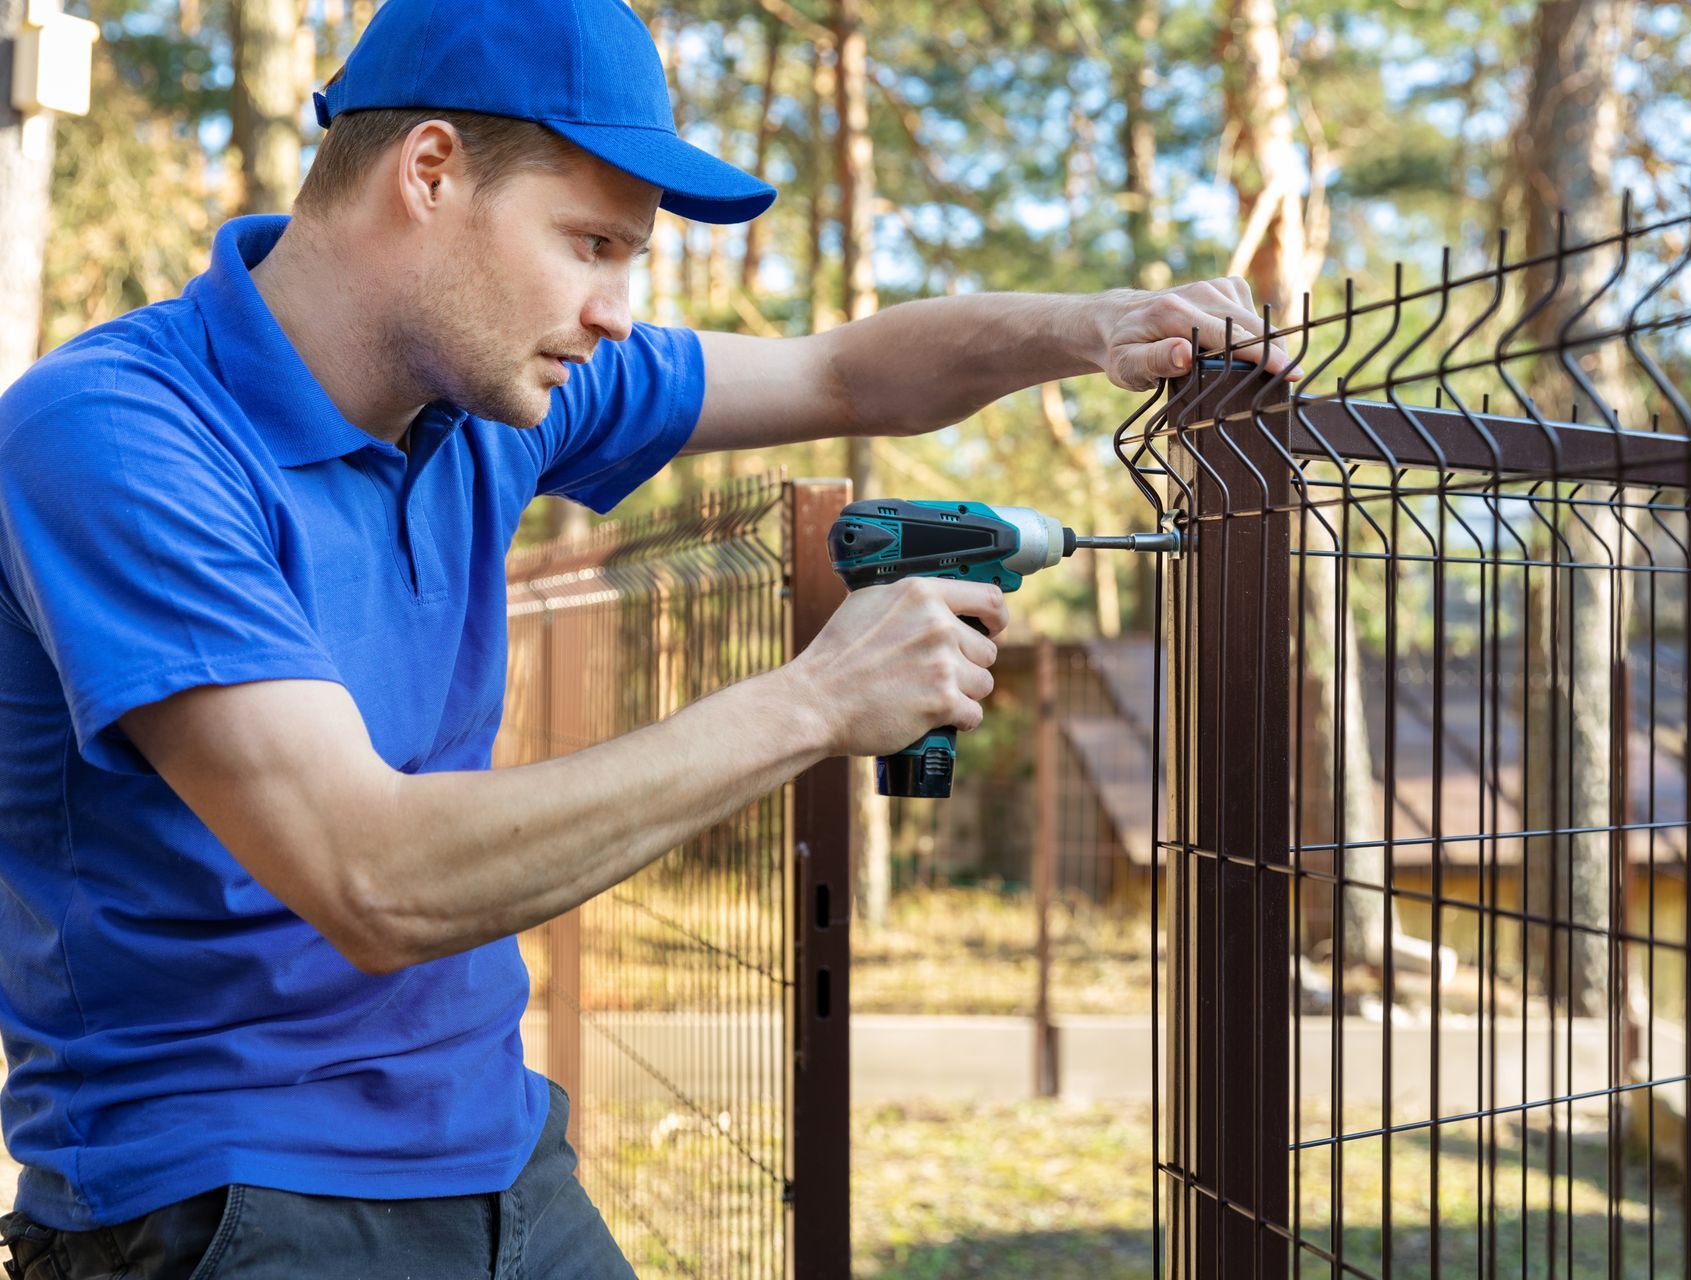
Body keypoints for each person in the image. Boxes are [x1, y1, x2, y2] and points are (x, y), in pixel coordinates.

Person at [0, 0, 1287, 1275]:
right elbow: (372, 877)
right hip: (223, 1191)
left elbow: (846, 373)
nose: (617, 309)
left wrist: (1097, 325)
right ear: (431, 171)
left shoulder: (492, 392)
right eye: (593, 242)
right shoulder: (120, 436)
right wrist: (814, 703)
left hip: (500, 1146)